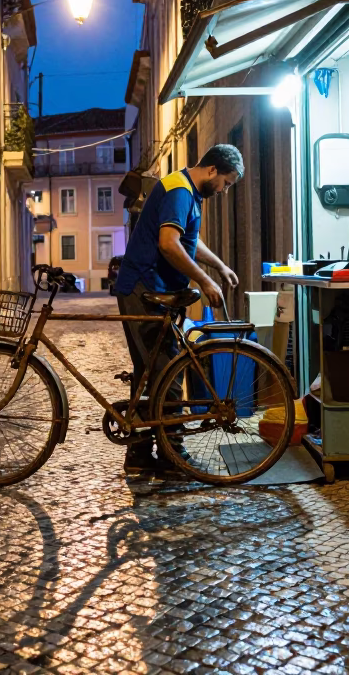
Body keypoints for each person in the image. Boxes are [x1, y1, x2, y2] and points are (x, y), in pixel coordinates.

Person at [113, 144, 243, 475]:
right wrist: (204, 282)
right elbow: (168, 244)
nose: (225, 191)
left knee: (149, 372)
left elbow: (186, 240)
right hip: (144, 288)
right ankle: (172, 451)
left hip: (154, 289)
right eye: (226, 183)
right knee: (167, 369)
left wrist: (218, 267)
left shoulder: (186, 190)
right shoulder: (178, 190)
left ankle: (140, 453)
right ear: (212, 170)